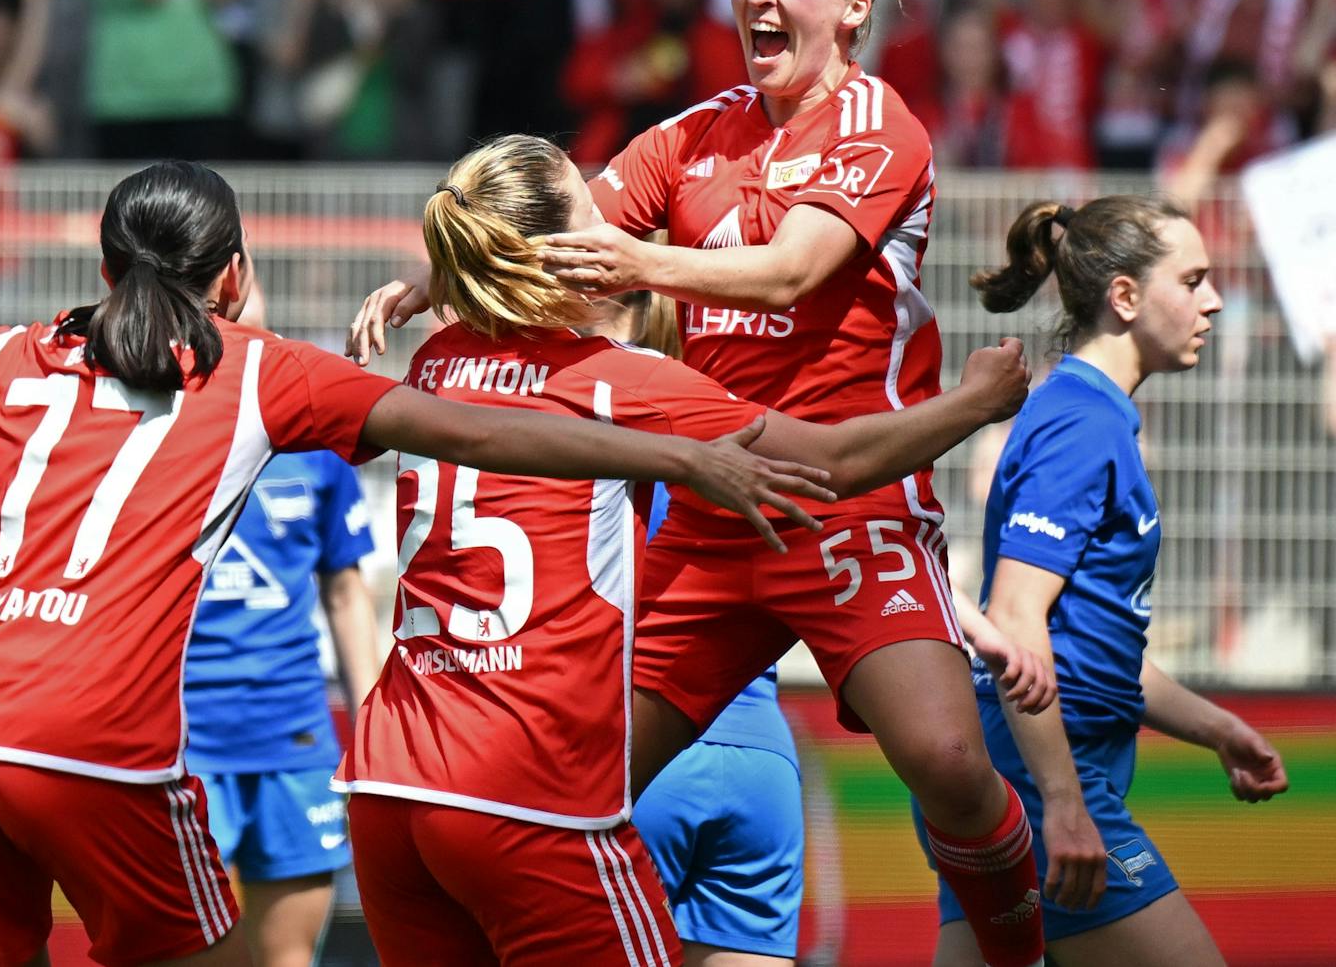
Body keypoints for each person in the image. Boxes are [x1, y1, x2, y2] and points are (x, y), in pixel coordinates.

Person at [0, 160, 833, 967]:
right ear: (234, 274)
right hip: (95, 747)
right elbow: (481, 429)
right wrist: (676, 455)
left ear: (104, 268)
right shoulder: (257, 373)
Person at [350, 0, 1051, 967]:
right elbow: (560, 221)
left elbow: (788, 271)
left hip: (847, 497)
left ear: (852, 9)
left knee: (945, 757)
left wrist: (639, 264)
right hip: (714, 503)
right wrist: (441, 273)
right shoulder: (690, 134)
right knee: (573, 784)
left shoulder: (878, 126)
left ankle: (1018, 947)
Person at [336, 136, 1034, 967]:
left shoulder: (433, 364)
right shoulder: (622, 381)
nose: (615, 235)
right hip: (529, 789)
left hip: (389, 780)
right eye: (595, 216)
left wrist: (446, 278)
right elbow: (835, 464)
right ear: (560, 257)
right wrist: (976, 401)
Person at [923, 197, 1289, 967]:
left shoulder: (1093, 415)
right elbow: (1015, 617)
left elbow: (1091, 646)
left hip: (1014, 771)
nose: (1214, 300)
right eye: (1192, 279)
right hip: (1041, 780)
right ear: (1124, 296)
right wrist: (1062, 801)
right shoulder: (1082, 423)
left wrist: (1217, 728)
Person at [180, 283, 381, 967]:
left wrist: (374, 739)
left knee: (288, 956)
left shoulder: (312, 432)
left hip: (292, 738)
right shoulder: (147, 423)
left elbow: (347, 595)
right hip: (176, 744)